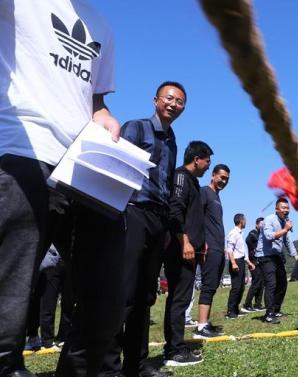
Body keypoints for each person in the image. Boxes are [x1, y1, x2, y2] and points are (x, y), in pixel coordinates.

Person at [0, 2, 118, 375]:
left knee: (109, 285)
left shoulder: (102, 25)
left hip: (83, 166)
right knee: (12, 281)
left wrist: (105, 117)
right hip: (22, 148)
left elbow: (94, 100)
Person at [87, 81, 185, 377]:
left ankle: (138, 364)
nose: (174, 104)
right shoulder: (136, 128)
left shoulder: (172, 139)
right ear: (156, 100)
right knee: (124, 292)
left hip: (158, 219)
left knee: (146, 295)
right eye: (169, 98)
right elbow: (117, 164)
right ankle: (108, 368)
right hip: (133, 212)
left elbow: (166, 185)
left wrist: (167, 224)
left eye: (180, 101)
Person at [162, 141, 213, 367]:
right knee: (178, 298)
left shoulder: (193, 181)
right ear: (196, 159)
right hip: (181, 249)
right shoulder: (181, 177)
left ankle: (176, 345)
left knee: (182, 297)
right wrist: (185, 241)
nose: (208, 166)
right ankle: (174, 350)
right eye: (207, 161)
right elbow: (175, 210)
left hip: (193, 249)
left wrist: (201, 245)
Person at [192, 164, 230, 338]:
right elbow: (196, 216)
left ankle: (205, 322)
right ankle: (201, 327)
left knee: (213, 285)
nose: (224, 181)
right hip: (209, 246)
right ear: (213, 175)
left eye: (226, 179)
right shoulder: (204, 192)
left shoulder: (217, 196)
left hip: (218, 247)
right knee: (208, 285)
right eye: (221, 177)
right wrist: (202, 243)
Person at [255, 198, 298, 324]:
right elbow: (269, 237)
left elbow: (287, 241)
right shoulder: (269, 219)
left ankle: (276, 309)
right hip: (264, 255)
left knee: (283, 283)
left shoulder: (285, 221)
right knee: (271, 284)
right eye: (283, 207)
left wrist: (296, 257)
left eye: (287, 208)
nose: (286, 210)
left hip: (276, 255)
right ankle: (269, 314)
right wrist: (285, 229)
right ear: (276, 209)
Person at [223, 214, 255, 320]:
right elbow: (229, 249)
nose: (246, 222)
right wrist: (233, 263)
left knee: (241, 287)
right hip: (235, 261)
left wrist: (248, 262)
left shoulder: (240, 234)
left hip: (241, 261)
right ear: (241, 221)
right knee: (236, 287)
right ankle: (230, 311)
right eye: (245, 220)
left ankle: (236, 309)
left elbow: (242, 251)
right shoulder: (233, 233)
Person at [242, 217, 266, 312]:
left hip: (261, 261)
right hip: (253, 262)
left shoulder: (262, 234)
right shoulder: (253, 233)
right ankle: (247, 304)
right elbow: (248, 240)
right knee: (256, 283)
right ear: (257, 224)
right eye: (261, 224)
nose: (263, 225)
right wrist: (254, 248)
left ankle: (258, 304)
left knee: (261, 283)